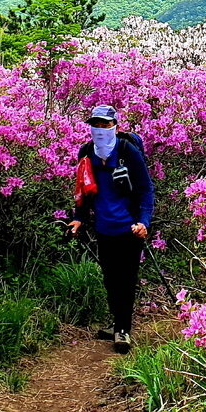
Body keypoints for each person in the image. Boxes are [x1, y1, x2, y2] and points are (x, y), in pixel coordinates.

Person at [68, 104, 154, 354]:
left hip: (130, 228)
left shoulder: (128, 151)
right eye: (96, 124)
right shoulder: (86, 152)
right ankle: (118, 323)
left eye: (105, 124)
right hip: (104, 227)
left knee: (126, 280)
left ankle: (123, 330)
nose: (100, 129)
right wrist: (79, 218)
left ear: (115, 125)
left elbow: (146, 190)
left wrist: (144, 222)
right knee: (110, 278)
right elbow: (83, 189)